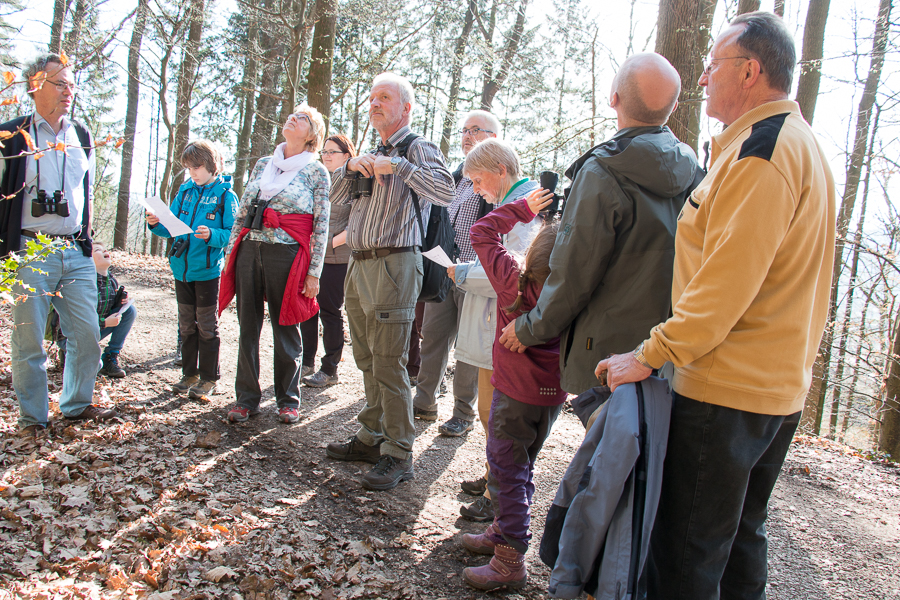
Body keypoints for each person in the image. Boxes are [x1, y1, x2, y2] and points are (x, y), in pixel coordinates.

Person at [595, 13, 836, 599]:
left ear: (750, 71)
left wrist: (651, 355)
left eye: (713, 66)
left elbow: (725, 284)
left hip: (725, 391)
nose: (702, 79)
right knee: (735, 544)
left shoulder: (764, 155)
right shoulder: (792, 144)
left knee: (685, 556)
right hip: (771, 388)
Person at [498, 52, 702, 397]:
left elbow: (573, 269)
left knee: (612, 446)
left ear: (614, 98)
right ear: (675, 106)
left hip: (607, 356)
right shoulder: (694, 171)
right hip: (666, 354)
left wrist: (532, 327)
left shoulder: (603, 172)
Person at [325, 72, 455, 491]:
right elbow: (333, 202)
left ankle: (399, 451)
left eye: (385, 97)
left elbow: (446, 192)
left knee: (388, 359)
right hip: (359, 265)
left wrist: (397, 165)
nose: (375, 104)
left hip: (395, 265)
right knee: (364, 355)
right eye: (372, 98)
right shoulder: (368, 152)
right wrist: (350, 166)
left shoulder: (418, 147)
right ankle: (371, 435)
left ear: (406, 108)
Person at [0, 54, 117, 433]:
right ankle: (33, 418)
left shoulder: (81, 136)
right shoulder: (10, 135)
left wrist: (87, 240)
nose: (69, 91)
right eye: (60, 83)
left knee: (87, 334)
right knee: (29, 340)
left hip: (75, 249)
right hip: (30, 249)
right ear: (36, 85)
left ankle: (76, 404)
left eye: (72, 84)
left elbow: (84, 193)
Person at [458, 187, 563, 592]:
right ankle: (501, 535)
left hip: (514, 397)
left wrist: (521, 209)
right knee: (521, 468)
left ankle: (509, 562)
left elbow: (482, 231)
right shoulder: (569, 297)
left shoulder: (512, 280)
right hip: (550, 399)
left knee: (506, 474)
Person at [452, 138, 547, 522]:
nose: (476, 190)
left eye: (477, 181)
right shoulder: (511, 204)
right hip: (497, 321)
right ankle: (494, 476)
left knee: (497, 412)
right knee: (489, 409)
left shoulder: (527, 210)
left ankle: (499, 491)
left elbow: (513, 274)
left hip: (508, 326)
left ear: (499, 171)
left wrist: (461, 272)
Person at [220, 104, 330, 424]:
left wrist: (314, 273)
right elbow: (243, 210)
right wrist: (231, 252)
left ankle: (288, 399)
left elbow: (321, 225)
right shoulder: (263, 165)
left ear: (313, 135)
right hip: (249, 250)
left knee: (285, 329)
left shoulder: (315, 171)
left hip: (287, 256)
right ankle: (247, 398)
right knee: (247, 327)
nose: (293, 118)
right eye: (292, 114)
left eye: (303, 118)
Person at [411, 110, 498, 435]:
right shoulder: (453, 177)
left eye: (474, 129)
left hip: (476, 276)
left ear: (492, 137)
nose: (466, 135)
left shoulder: (496, 179)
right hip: (445, 270)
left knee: (469, 346)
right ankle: (424, 402)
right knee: (433, 336)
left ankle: (463, 412)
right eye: (464, 130)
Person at [147, 140, 238, 400]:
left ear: (212, 165)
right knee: (186, 325)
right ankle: (190, 374)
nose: (193, 173)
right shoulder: (184, 192)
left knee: (207, 325)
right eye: (189, 168)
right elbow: (171, 225)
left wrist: (212, 234)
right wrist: (156, 223)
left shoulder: (225, 195)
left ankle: (210, 378)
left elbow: (232, 234)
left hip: (207, 270)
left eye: (197, 167)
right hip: (181, 269)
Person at [299, 134, 356, 387]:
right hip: (308, 256)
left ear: (347, 155)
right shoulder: (316, 179)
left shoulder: (356, 182)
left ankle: (330, 368)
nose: (327, 155)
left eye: (333, 151)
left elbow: (355, 225)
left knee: (330, 311)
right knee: (306, 310)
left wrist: (325, 244)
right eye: (324, 151)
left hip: (337, 258)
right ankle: (306, 362)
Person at [57, 244, 137, 379]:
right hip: (73, 334)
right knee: (92, 368)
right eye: (98, 250)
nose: (105, 251)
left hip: (94, 330)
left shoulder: (110, 281)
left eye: (105, 249)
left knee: (130, 311)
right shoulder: (83, 283)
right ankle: (68, 351)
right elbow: (77, 317)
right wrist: (104, 323)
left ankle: (110, 356)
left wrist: (119, 303)